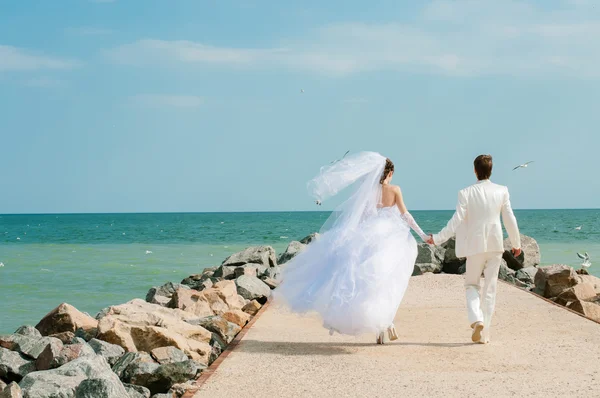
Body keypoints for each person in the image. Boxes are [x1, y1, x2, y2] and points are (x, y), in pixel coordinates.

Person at [276, 152, 429, 344]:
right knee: (389, 282)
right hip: (391, 238)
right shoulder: (395, 190)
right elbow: (406, 216)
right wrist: (423, 235)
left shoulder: (368, 194)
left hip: (369, 237)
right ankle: (385, 323)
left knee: (367, 284)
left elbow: (361, 218)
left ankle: (384, 323)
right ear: (389, 174)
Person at [428, 154, 521, 344]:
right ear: (491, 170)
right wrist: (516, 243)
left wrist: (437, 238)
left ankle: (476, 319)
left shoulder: (466, 193)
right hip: (495, 246)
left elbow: (456, 221)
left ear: (475, 171)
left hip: (474, 247)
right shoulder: (502, 191)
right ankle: (485, 334)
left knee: (471, 285)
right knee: (490, 289)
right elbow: (509, 218)